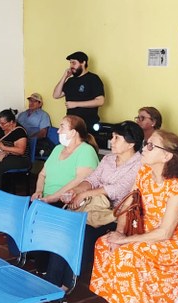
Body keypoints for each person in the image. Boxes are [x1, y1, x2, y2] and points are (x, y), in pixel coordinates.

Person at [89, 130, 178, 303]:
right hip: (146, 235)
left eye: (150, 146)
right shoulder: (144, 173)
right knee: (104, 244)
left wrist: (125, 241)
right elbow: (128, 205)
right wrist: (119, 233)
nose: (144, 149)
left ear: (166, 156)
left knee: (127, 254)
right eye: (145, 144)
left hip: (173, 244)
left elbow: (165, 233)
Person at [44, 120, 143, 288]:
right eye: (112, 137)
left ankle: (68, 283)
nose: (112, 141)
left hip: (115, 214)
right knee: (64, 228)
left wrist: (84, 194)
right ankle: (52, 281)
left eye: (117, 138)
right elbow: (92, 179)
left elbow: (117, 190)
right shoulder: (108, 159)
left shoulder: (139, 164)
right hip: (93, 207)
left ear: (131, 144)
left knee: (83, 233)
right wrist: (76, 191)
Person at [31, 115, 99, 204]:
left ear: (73, 132)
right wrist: (38, 191)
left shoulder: (86, 150)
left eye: (62, 127)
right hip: (45, 199)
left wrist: (52, 198)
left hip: (67, 202)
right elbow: (42, 174)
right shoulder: (58, 148)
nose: (58, 131)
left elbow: (80, 180)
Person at [52, 51, 105, 131]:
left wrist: (76, 104)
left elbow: (100, 101)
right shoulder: (70, 81)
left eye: (74, 63)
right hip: (71, 125)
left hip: (88, 125)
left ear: (83, 63)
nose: (71, 66)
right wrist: (65, 76)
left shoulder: (93, 79)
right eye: (70, 63)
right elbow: (56, 95)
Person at [17, 93, 52, 157]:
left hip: (31, 142)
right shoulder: (22, 114)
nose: (31, 103)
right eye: (30, 101)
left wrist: (29, 139)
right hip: (17, 140)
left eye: (35, 101)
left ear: (40, 104)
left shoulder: (43, 115)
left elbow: (43, 133)